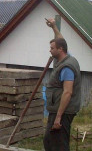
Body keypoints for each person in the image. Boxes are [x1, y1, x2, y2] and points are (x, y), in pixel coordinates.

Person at [43, 18, 81, 151]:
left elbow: (68, 92)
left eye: (52, 48)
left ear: (60, 50)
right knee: (49, 140)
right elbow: (61, 40)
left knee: (58, 144)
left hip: (63, 111)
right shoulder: (66, 57)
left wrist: (58, 117)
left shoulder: (67, 68)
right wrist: (54, 27)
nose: (50, 50)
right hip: (58, 108)